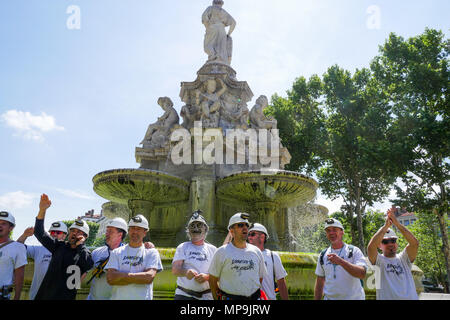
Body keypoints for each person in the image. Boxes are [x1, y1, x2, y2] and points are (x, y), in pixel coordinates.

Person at [33, 194, 94, 300]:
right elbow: (39, 232)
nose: (74, 234)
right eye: (73, 231)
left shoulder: (84, 253)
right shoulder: (59, 246)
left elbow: (88, 265)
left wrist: (80, 245)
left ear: (85, 236)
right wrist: (42, 210)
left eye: (79, 232)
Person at [208, 212, 267, 300]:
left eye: (247, 225)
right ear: (231, 231)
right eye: (240, 225)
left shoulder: (257, 251)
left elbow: (260, 278)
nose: (245, 228)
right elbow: (212, 280)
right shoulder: (221, 252)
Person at [105, 214, 163, 300]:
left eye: (139, 229)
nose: (135, 231)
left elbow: (149, 277)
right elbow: (110, 279)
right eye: (132, 228)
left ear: (145, 232)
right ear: (128, 230)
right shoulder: (117, 252)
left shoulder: (151, 252)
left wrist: (121, 276)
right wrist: (139, 278)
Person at [367, 207, 419, 300]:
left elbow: (414, 243)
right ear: (379, 245)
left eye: (393, 240)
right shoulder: (378, 261)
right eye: (385, 242)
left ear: (397, 243)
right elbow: (371, 247)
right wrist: (385, 226)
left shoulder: (404, 259)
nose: (390, 244)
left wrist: (397, 223)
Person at [314, 218, 367, 300]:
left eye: (334, 230)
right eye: (328, 230)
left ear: (342, 232)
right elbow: (320, 281)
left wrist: (341, 262)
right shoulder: (323, 254)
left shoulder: (354, 251)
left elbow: (362, 274)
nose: (331, 233)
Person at [172, 210, 217, 300]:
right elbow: (175, 270)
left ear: (206, 229)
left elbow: (219, 274)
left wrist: (207, 277)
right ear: (188, 231)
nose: (195, 228)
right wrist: (186, 272)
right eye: (192, 226)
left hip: (206, 296)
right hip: (184, 295)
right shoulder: (183, 247)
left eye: (199, 225)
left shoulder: (213, 250)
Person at [17, 221, 68, 300]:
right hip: (36, 296)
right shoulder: (39, 249)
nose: (54, 234)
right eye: (52, 232)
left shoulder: (69, 252)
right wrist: (25, 235)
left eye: (58, 232)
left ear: (65, 235)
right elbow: (17, 248)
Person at [86, 217, 128, 300]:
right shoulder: (96, 252)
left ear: (120, 235)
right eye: (107, 231)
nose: (106, 234)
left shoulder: (127, 255)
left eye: (110, 231)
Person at [247, 223, 289, 300]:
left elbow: (281, 283)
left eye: (252, 234)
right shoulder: (244, 255)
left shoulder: (273, 256)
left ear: (262, 237)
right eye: (248, 234)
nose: (249, 237)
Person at [0, 211, 27, 300]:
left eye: (3, 223)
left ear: (11, 228)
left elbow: (19, 276)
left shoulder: (18, 247)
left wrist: (17, 297)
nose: (0, 225)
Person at [202, 0, 236, 65]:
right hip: (222, 30)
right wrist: (228, 34)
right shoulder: (223, 12)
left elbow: (204, 18)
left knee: (207, 46)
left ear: (213, 2)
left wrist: (208, 27)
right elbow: (234, 23)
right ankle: (217, 59)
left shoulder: (210, 8)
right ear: (221, 4)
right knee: (220, 49)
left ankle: (212, 57)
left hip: (212, 27)